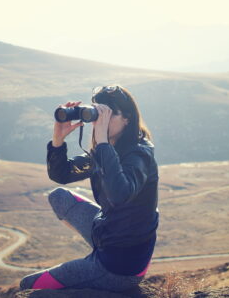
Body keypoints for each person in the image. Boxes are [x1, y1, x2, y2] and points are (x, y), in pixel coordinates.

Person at [20, 85, 159, 292]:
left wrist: (102, 141)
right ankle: (95, 255)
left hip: (121, 265)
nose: (100, 122)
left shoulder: (139, 155)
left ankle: (95, 267)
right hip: (109, 231)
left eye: (109, 115)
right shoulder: (108, 149)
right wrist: (58, 140)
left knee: (28, 286)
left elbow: (120, 195)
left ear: (127, 118)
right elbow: (62, 175)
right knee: (59, 197)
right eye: (97, 114)